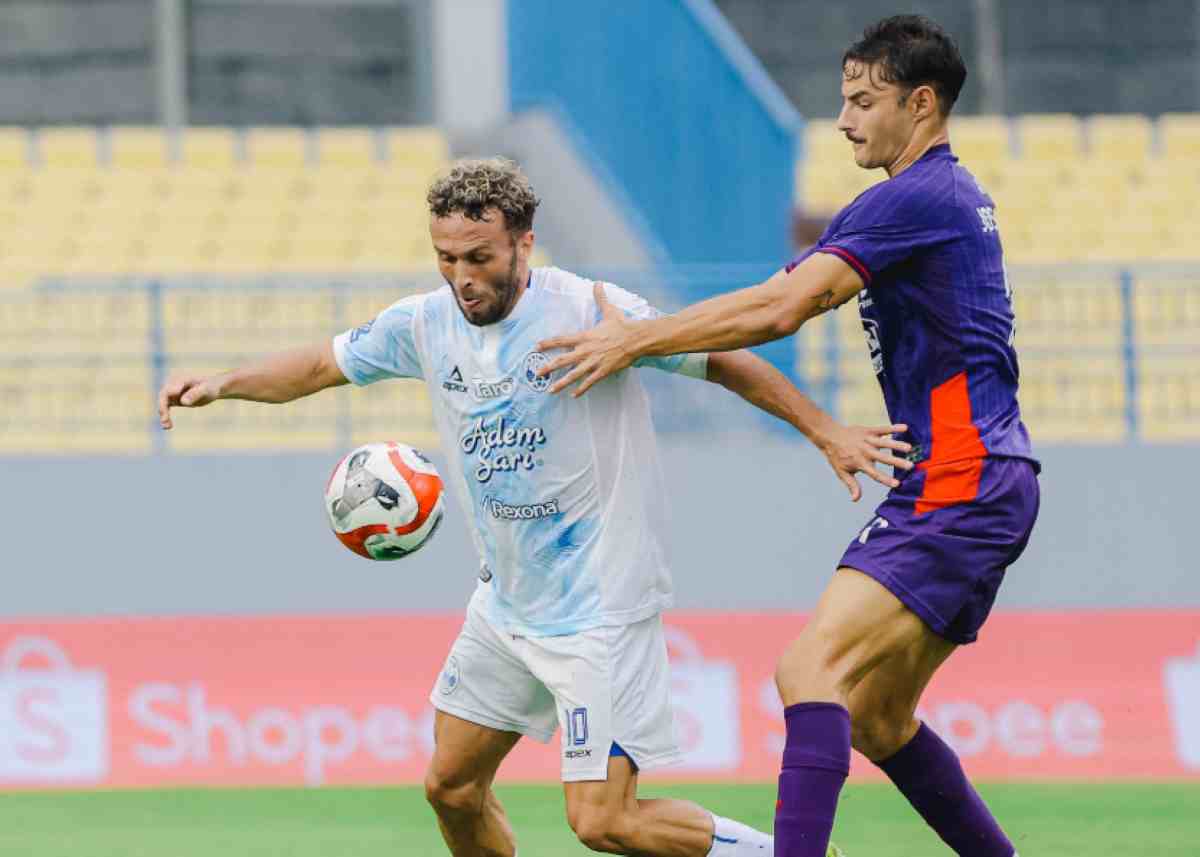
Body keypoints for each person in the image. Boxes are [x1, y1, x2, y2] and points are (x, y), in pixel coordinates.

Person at [157, 157, 901, 857]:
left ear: (524, 243)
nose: (461, 276)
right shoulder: (425, 322)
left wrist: (824, 430)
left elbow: (721, 360)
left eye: (478, 257)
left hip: (601, 609)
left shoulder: (590, 309)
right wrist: (223, 383)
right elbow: (324, 363)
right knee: (451, 787)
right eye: (446, 257)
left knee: (603, 820)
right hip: (508, 607)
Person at [535, 16, 1040, 857]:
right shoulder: (945, 196)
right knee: (878, 716)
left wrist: (634, 338)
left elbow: (782, 307)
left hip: (963, 473)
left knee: (808, 672)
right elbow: (786, 295)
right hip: (980, 473)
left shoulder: (914, 197)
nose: (843, 120)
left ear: (921, 103)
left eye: (863, 101)